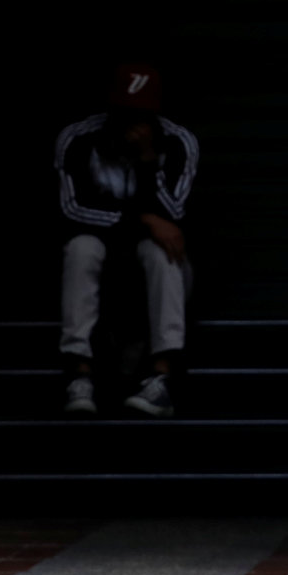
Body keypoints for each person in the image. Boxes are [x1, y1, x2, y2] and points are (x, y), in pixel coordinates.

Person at [57, 63, 200, 418]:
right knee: (82, 246)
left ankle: (163, 377)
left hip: (153, 270)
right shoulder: (78, 139)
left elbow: (176, 217)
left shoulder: (178, 142)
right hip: (102, 266)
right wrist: (145, 219)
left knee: (162, 250)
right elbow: (72, 211)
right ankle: (80, 374)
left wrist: (149, 160)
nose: (131, 127)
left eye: (140, 116)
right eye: (124, 114)